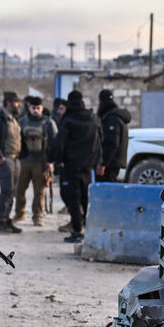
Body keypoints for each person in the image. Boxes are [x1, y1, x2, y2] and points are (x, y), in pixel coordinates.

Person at [48, 90, 101, 242]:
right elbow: (99, 141)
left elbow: (59, 143)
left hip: (70, 166)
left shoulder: (68, 119)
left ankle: (77, 231)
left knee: (73, 199)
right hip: (87, 166)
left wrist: (58, 160)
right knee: (86, 198)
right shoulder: (93, 118)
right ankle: (89, 230)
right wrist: (97, 161)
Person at [12, 96, 56, 226]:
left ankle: (37, 216)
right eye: (33, 108)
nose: (35, 110)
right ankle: (19, 214)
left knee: (39, 191)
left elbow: (55, 143)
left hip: (41, 162)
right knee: (19, 189)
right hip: (24, 161)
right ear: (29, 107)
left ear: (42, 108)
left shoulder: (48, 123)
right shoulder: (22, 122)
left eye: (38, 108)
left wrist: (51, 162)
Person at [0, 91, 23, 233]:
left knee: (12, 192)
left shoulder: (14, 118)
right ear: (8, 102)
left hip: (16, 158)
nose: (18, 105)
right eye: (16, 102)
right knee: (6, 190)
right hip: (5, 158)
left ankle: (7, 220)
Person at [96, 89, 131, 182]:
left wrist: (103, 164)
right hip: (113, 162)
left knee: (106, 188)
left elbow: (111, 144)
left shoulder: (112, 119)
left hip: (110, 164)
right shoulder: (115, 117)